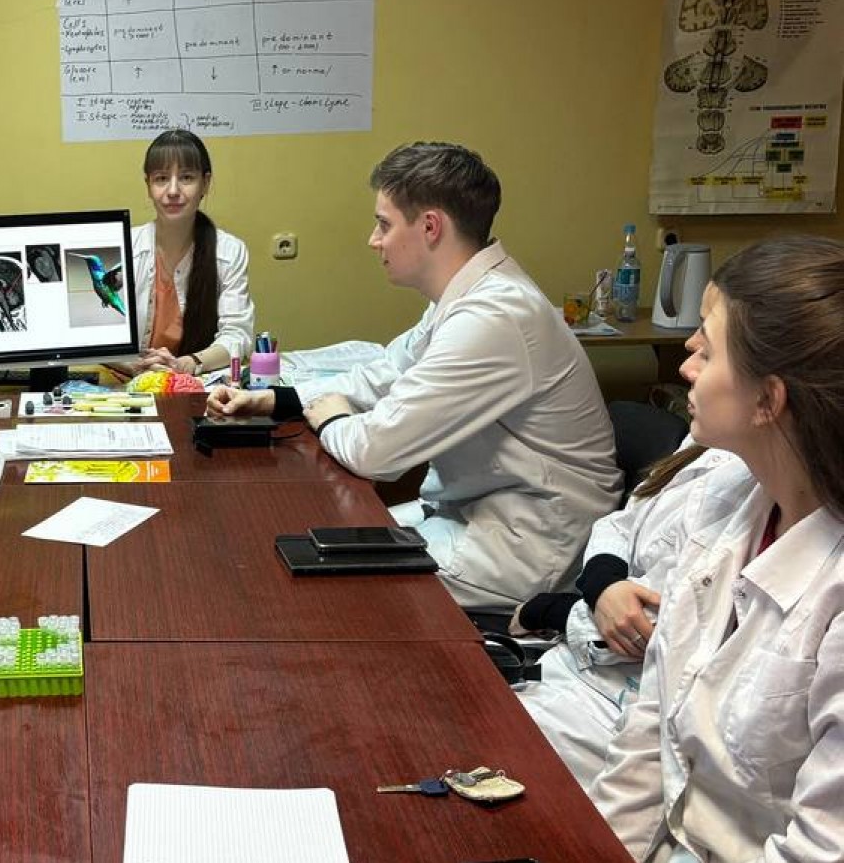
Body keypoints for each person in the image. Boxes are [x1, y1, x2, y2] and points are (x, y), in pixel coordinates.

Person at [590, 236, 844, 863]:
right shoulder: (730, 500)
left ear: (770, 400)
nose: (687, 365)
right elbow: (650, 731)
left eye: (708, 345)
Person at [208, 141, 620, 608]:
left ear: (430, 226)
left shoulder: (495, 316)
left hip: (530, 543)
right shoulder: (466, 297)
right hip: (477, 511)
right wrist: (281, 399)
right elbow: (383, 374)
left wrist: (331, 418)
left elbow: (376, 453)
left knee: (312, 586)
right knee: (306, 541)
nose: (374, 240)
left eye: (384, 224)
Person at [513, 441, 735, 789]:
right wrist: (604, 583)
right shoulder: (707, 444)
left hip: (615, 707)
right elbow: (621, 524)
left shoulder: (753, 496)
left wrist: (550, 610)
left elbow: (650, 628)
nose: (689, 384)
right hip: (574, 669)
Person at [126, 129, 254, 375]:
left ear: (205, 183)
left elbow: (238, 335)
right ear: (148, 185)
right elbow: (100, 336)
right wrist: (135, 365)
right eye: (161, 178)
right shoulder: (126, 247)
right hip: (128, 380)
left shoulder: (229, 251)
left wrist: (186, 364)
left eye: (186, 177)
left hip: (195, 380)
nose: (173, 190)